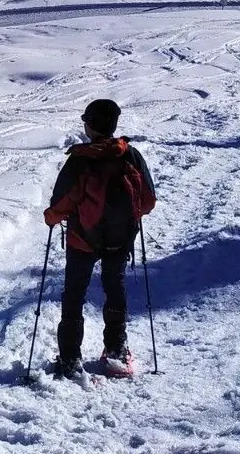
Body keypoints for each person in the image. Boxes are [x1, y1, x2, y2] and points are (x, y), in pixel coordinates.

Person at [43, 98, 157, 379]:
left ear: (90, 126)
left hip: (82, 239)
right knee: (114, 288)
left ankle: (70, 358)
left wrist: (51, 217)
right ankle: (116, 350)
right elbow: (148, 200)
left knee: (74, 295)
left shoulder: (80, 159)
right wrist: (129, 220)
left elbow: (61, 204)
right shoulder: (130, 155)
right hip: (119, 239)